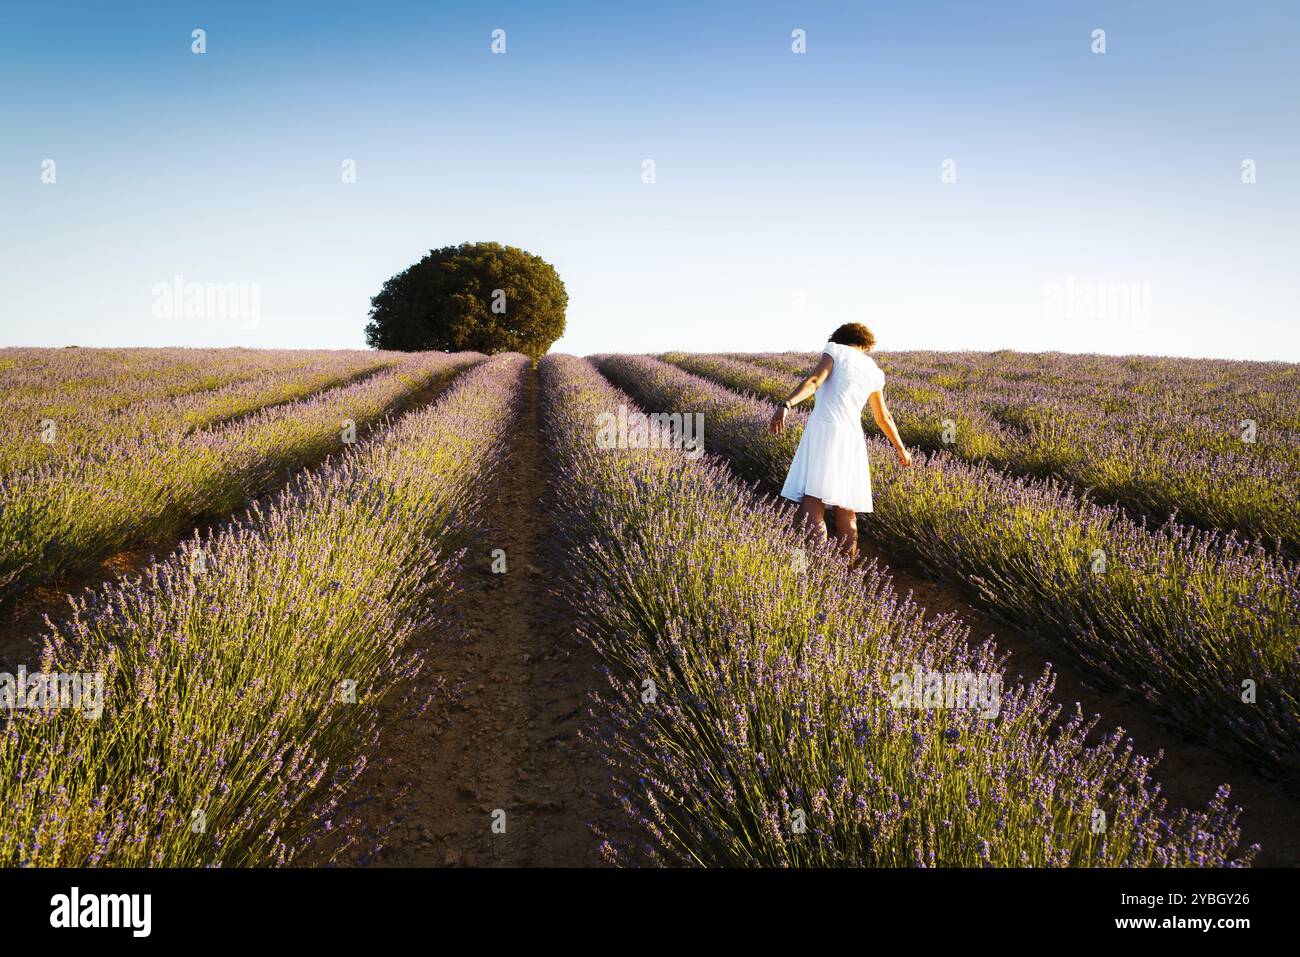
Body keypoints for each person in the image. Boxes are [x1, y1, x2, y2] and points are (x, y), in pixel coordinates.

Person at [769, 322, 911, 561]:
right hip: (853, 438)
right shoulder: (874, 370)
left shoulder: (835, 350)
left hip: (825, 431)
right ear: (865, 344)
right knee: (846, 511)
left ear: (840, 339)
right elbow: (883, 417)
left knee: (813, 503)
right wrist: (901, 449)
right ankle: (844, 576)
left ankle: (812, 570)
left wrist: (786, 404)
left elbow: (815, 381)